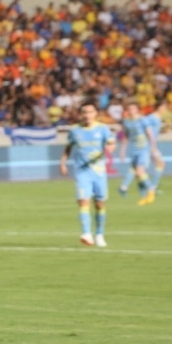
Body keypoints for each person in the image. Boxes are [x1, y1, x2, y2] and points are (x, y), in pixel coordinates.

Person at [60, 103, 115, 247]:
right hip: (82, 171)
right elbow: (68, 147)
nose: (87, 115)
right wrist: (63, 163)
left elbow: (111, 143)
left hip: (99, 172)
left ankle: (99, 234)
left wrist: (109, 149)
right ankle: (86, 234)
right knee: (83, 201)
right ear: (81, 114)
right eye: (84, 112)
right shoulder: (75, 130)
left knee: (99, 204)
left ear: (95, 113)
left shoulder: (103, 128)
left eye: (90, 112)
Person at [118, 100, 157, 206]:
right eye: (129, 109)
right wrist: (122, 150)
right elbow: (126, 137)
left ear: (137, 110)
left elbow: (150, 134)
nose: (131, 110)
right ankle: (144, 197)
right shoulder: (126, 122)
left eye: (133, 108)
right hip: (133, 149)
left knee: (139, 172)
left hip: (143, 149)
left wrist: (153, 148)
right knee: (137, 174)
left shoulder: (143, 120)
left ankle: (151, 190)